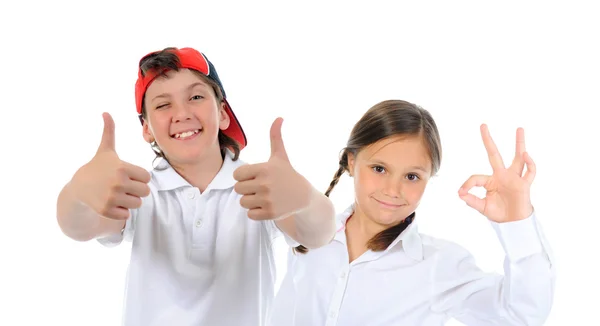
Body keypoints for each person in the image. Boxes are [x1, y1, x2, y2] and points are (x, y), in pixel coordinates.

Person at [55, 47, 336, 326]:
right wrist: (78, 193)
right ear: (147, 129)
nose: (182, 113)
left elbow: (318, 234)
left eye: (196, 97)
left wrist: (306, 199)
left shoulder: (258, 186)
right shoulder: (138, 190)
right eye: (163, 105)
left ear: (223, 113)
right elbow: (79, 227)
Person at [269, 100, 555, 326]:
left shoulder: (438, 265)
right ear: (353, 162)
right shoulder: (307, 235)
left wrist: (518, 220)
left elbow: (521, 315)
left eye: (412, 177)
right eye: (379, 169)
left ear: (429, 177)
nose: (393, 190)